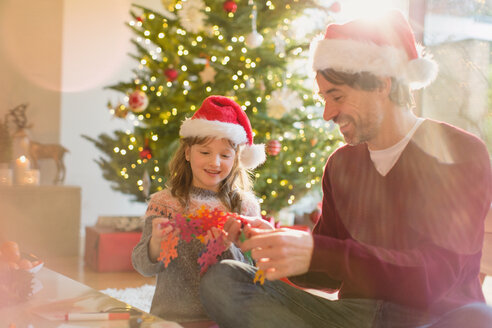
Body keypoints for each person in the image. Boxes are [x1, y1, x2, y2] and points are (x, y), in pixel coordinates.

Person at [199, 10, 492, 328]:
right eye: (324, 98)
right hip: (353, 317)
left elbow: (436, 275)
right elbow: (327, 274)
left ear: (381, 84)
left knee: (478, 318)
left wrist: (320, 252)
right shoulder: (341, 164)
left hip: (435, 317)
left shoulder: (458, 150)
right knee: (225, 280)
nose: (327, 113)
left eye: (336, 96)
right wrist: (273, 242)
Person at [132, 95, 266, 322]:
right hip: (171, 317)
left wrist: (228, 249)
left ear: (235, 159)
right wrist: (156, 243)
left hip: (226, 317)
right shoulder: (165, 204)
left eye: (225, 155)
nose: (215, 162)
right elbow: (142, 265)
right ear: (187, 153)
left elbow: (254, 274)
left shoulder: (245, 207)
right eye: (205, 152)